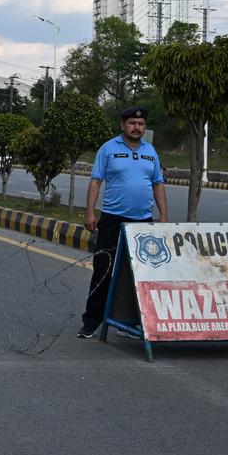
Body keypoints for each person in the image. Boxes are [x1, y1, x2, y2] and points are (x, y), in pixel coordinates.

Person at [78, 106, 168, 337]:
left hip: (143, 223)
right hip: (112, 221)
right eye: (132, 123)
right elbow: (96, 182)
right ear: (122, 125)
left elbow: (158, 183)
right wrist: (90, 213)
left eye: (141, 124)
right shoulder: (108, 149)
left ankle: (130, 322)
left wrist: (164, 215)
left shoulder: (150, 151)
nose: (137, 127)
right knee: (103, 271)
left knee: (139, 274)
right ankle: (91, 322)